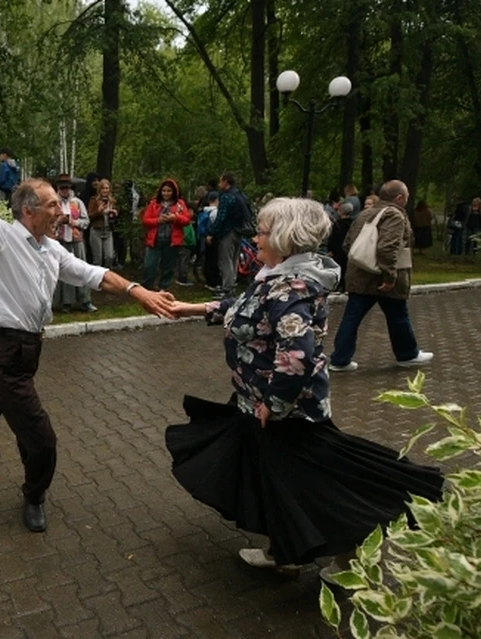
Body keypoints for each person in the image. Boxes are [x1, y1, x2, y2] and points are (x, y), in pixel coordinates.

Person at [0, 90, 176, 533]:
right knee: (41, 438)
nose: (62, 209)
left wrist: (136, 290)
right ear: (29, 210)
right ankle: (33, 497)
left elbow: (93, 274)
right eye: (53, 204)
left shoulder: (52, 250)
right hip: (8, 354)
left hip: (24, 352)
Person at [164, 197, 444, 581]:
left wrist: (274, 406)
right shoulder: (276, 278)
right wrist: (190, 309)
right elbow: (246, 308)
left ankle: (342, 559)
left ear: (283, 237)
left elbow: (297, 355)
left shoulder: (289, 287)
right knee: (287, 484)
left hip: (285, 412)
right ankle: (287, 552)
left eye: (262, 231)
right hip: (264, 405)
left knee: (313, 487)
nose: (256, 237)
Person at [329, 180, 433, 372]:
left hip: (360, 278)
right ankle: (407, 354)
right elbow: (388, 247)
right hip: (382, 279)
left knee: (351, 318)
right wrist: (389, 276)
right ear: (399, 198)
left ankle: (339, 359)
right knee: (398, 315)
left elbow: (347, 244)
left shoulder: (365, 214)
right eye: (407, 196)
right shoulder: (394, 215)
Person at [53, 174, 96, 313]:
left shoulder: (77, 202)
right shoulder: (54, 203)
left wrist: (74, 222)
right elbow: (49, 221)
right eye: (62, 187)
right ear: (58, 188)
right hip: (60, 241)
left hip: (76, 239)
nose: (65, 190)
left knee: (81, 269)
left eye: (67, 187)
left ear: (70, 188)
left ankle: (85, 300)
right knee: (64, 271)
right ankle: (66, 302)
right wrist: (59, 222)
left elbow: (86, 221)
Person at [142, 179, 191, 291]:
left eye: (169, 191)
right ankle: (146, 287)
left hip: (171, 240)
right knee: (150, 265)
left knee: (168, 267)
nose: (166, 193)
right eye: (164, 191)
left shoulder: (180, 204)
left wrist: (175, 218)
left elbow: (187, 220)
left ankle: (163, 288)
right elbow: (145, 220)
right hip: (155, 239)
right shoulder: (154, 204)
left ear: (174, 191)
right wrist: (157, 220)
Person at [87, 178, 117, 268]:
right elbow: (89, 216)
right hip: (96, 231)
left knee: (109, 257)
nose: (105, 190)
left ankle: (108, 278)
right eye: (103, 188)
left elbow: (114, 217)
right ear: (99, 189)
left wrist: (114, 213)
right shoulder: (93, 200)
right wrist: (98, 211)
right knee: (98, 259)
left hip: (108, 231)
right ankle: (97, 280)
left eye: (107, 188)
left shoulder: (112, 201)